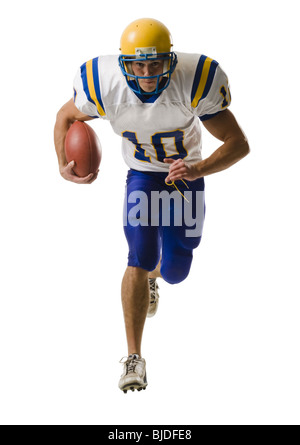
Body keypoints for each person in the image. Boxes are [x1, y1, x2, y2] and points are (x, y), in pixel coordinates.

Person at [54, 18, 249, 393]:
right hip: (142, 173)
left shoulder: (195, 79)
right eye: (138, 65)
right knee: (138, 257)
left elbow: (238, 144)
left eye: (155, 64)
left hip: (186, 176)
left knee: (176, 269)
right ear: (125, 64)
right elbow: (65, 117)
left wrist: (199, 168)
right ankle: (134, 358)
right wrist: (61, 166)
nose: (146, 73)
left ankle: (155, 278)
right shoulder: (103, 83)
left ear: (169, 61)